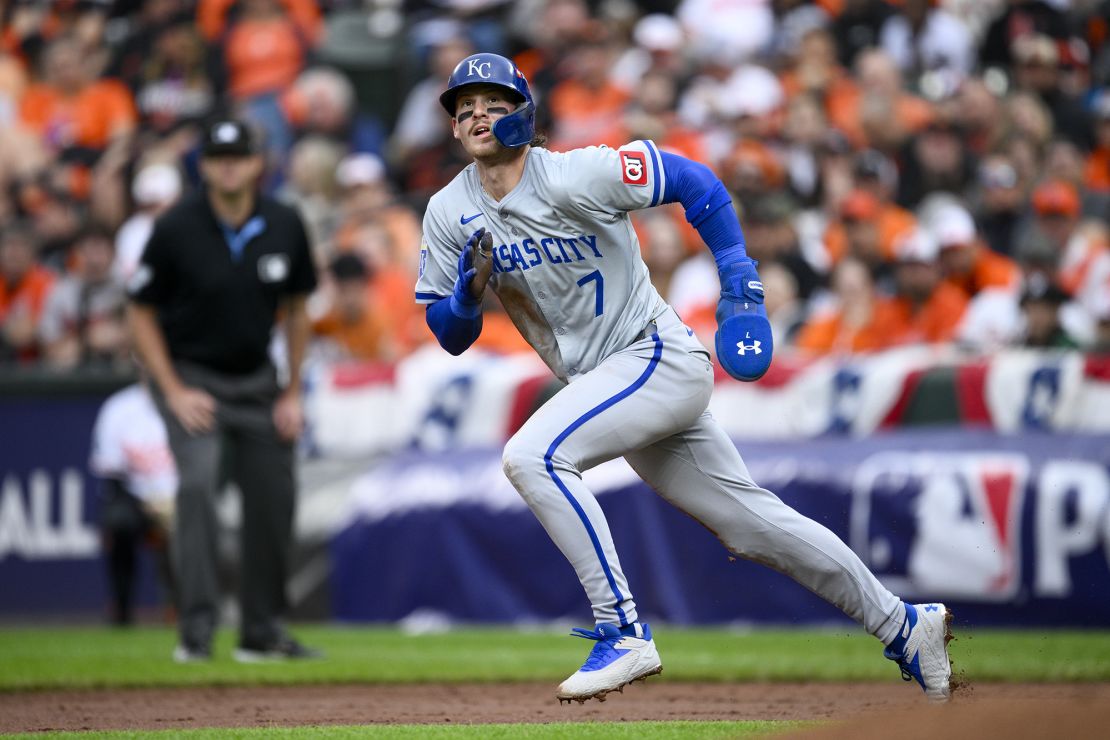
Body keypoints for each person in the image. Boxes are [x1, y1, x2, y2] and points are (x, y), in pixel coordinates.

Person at [416, 53, 954, 705]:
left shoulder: (575, 173)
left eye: (492, 101)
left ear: (523, 114)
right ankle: (905, 626)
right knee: (754, 525)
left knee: (534, 456)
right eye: (463, 105)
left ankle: (623, 631)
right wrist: (469, 297)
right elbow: (450, 335)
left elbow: (694, 181)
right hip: (609, 382)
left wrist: (740, 282)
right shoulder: (449, 213)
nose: (476, 113)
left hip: (653, 356)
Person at [126, 118, 320, 663]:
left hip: (259, 380)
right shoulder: (175, 227)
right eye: (217, 156)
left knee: (274, 498)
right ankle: (196, 632)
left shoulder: (284, 222)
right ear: (204, 166)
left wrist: (293, 392)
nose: (228, 165)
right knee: (197, 488)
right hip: (193, 378)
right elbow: (139, 311)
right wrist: (171, 388)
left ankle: (261, 633)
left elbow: (299, 311)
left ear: (258, 162)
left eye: (238, 155)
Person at [90, 380, 178, 626]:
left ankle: (181, 607)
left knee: (190, 522)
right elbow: (111, 472)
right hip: (136, 498)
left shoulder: (189, 399)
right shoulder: (120, 407)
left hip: (182, 498)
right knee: (119, 522)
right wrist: (147, 503)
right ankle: (122, 608)